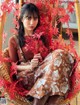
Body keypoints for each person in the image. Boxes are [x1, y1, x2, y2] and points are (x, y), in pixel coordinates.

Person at [8, 3, 75, 105]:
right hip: (27, 77)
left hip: (44, 73)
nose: (32, 22)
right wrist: (29, 66)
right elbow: (12, 67)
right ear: (21, 19)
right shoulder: (14, 40)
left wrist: (41, 59)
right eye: (28, 18)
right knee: (58, 61)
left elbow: (50, 62)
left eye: (35, 18)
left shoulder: (42, 37)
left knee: (62, 55)